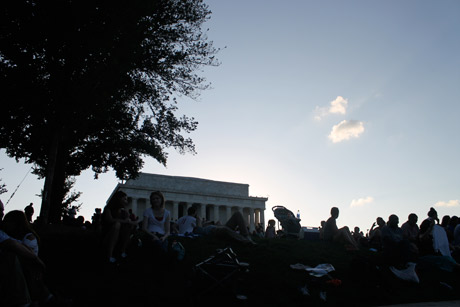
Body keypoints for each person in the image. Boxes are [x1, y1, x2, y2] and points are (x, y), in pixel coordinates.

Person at [102, 190, 137, 264]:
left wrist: (132, 222)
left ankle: (122, 251)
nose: (126, 201)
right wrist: (123, 221)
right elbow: (109, 220)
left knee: (128, 227)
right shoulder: (109, 208)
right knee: (117, 225)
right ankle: (110, 255)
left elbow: (129, 221)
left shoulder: (124, 211)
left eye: (126, 199)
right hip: (109, 233)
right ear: (118, 199)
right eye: (124, 199)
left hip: (121, 234)